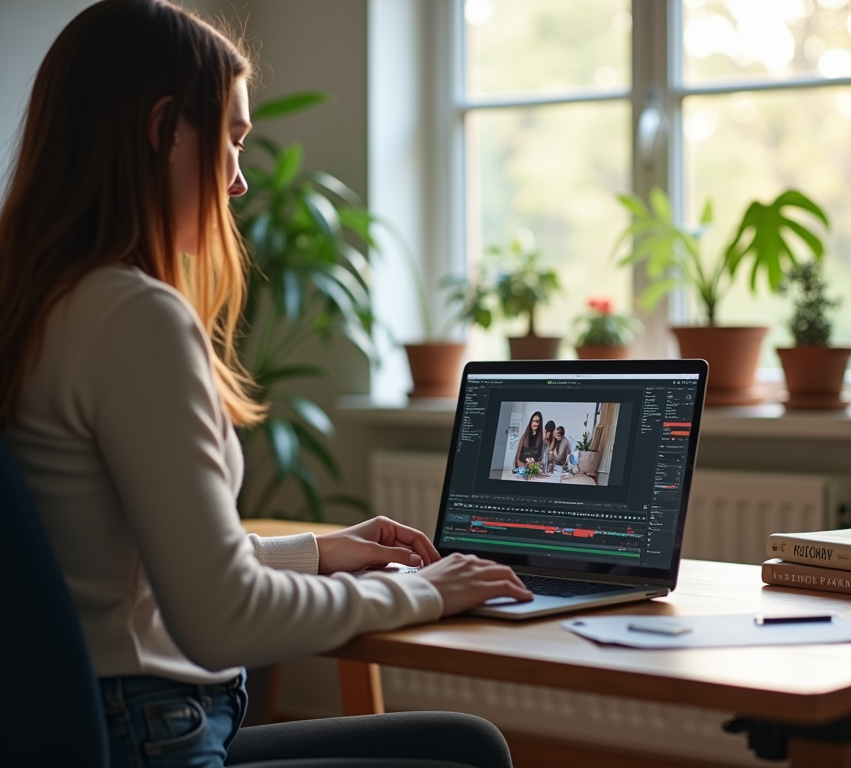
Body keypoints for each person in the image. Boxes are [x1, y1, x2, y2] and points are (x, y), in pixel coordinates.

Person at [0, 2, 531, 767]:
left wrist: (318, 552)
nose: (241, 182)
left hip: (102, 720)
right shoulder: (134, 317)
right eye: (232, 141)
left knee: (463, 744)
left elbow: (127, 564)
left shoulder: (38, 303)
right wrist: (431, 590)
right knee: (466, 754)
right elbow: (222, 620)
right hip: (150, 733)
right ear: (162, 131)